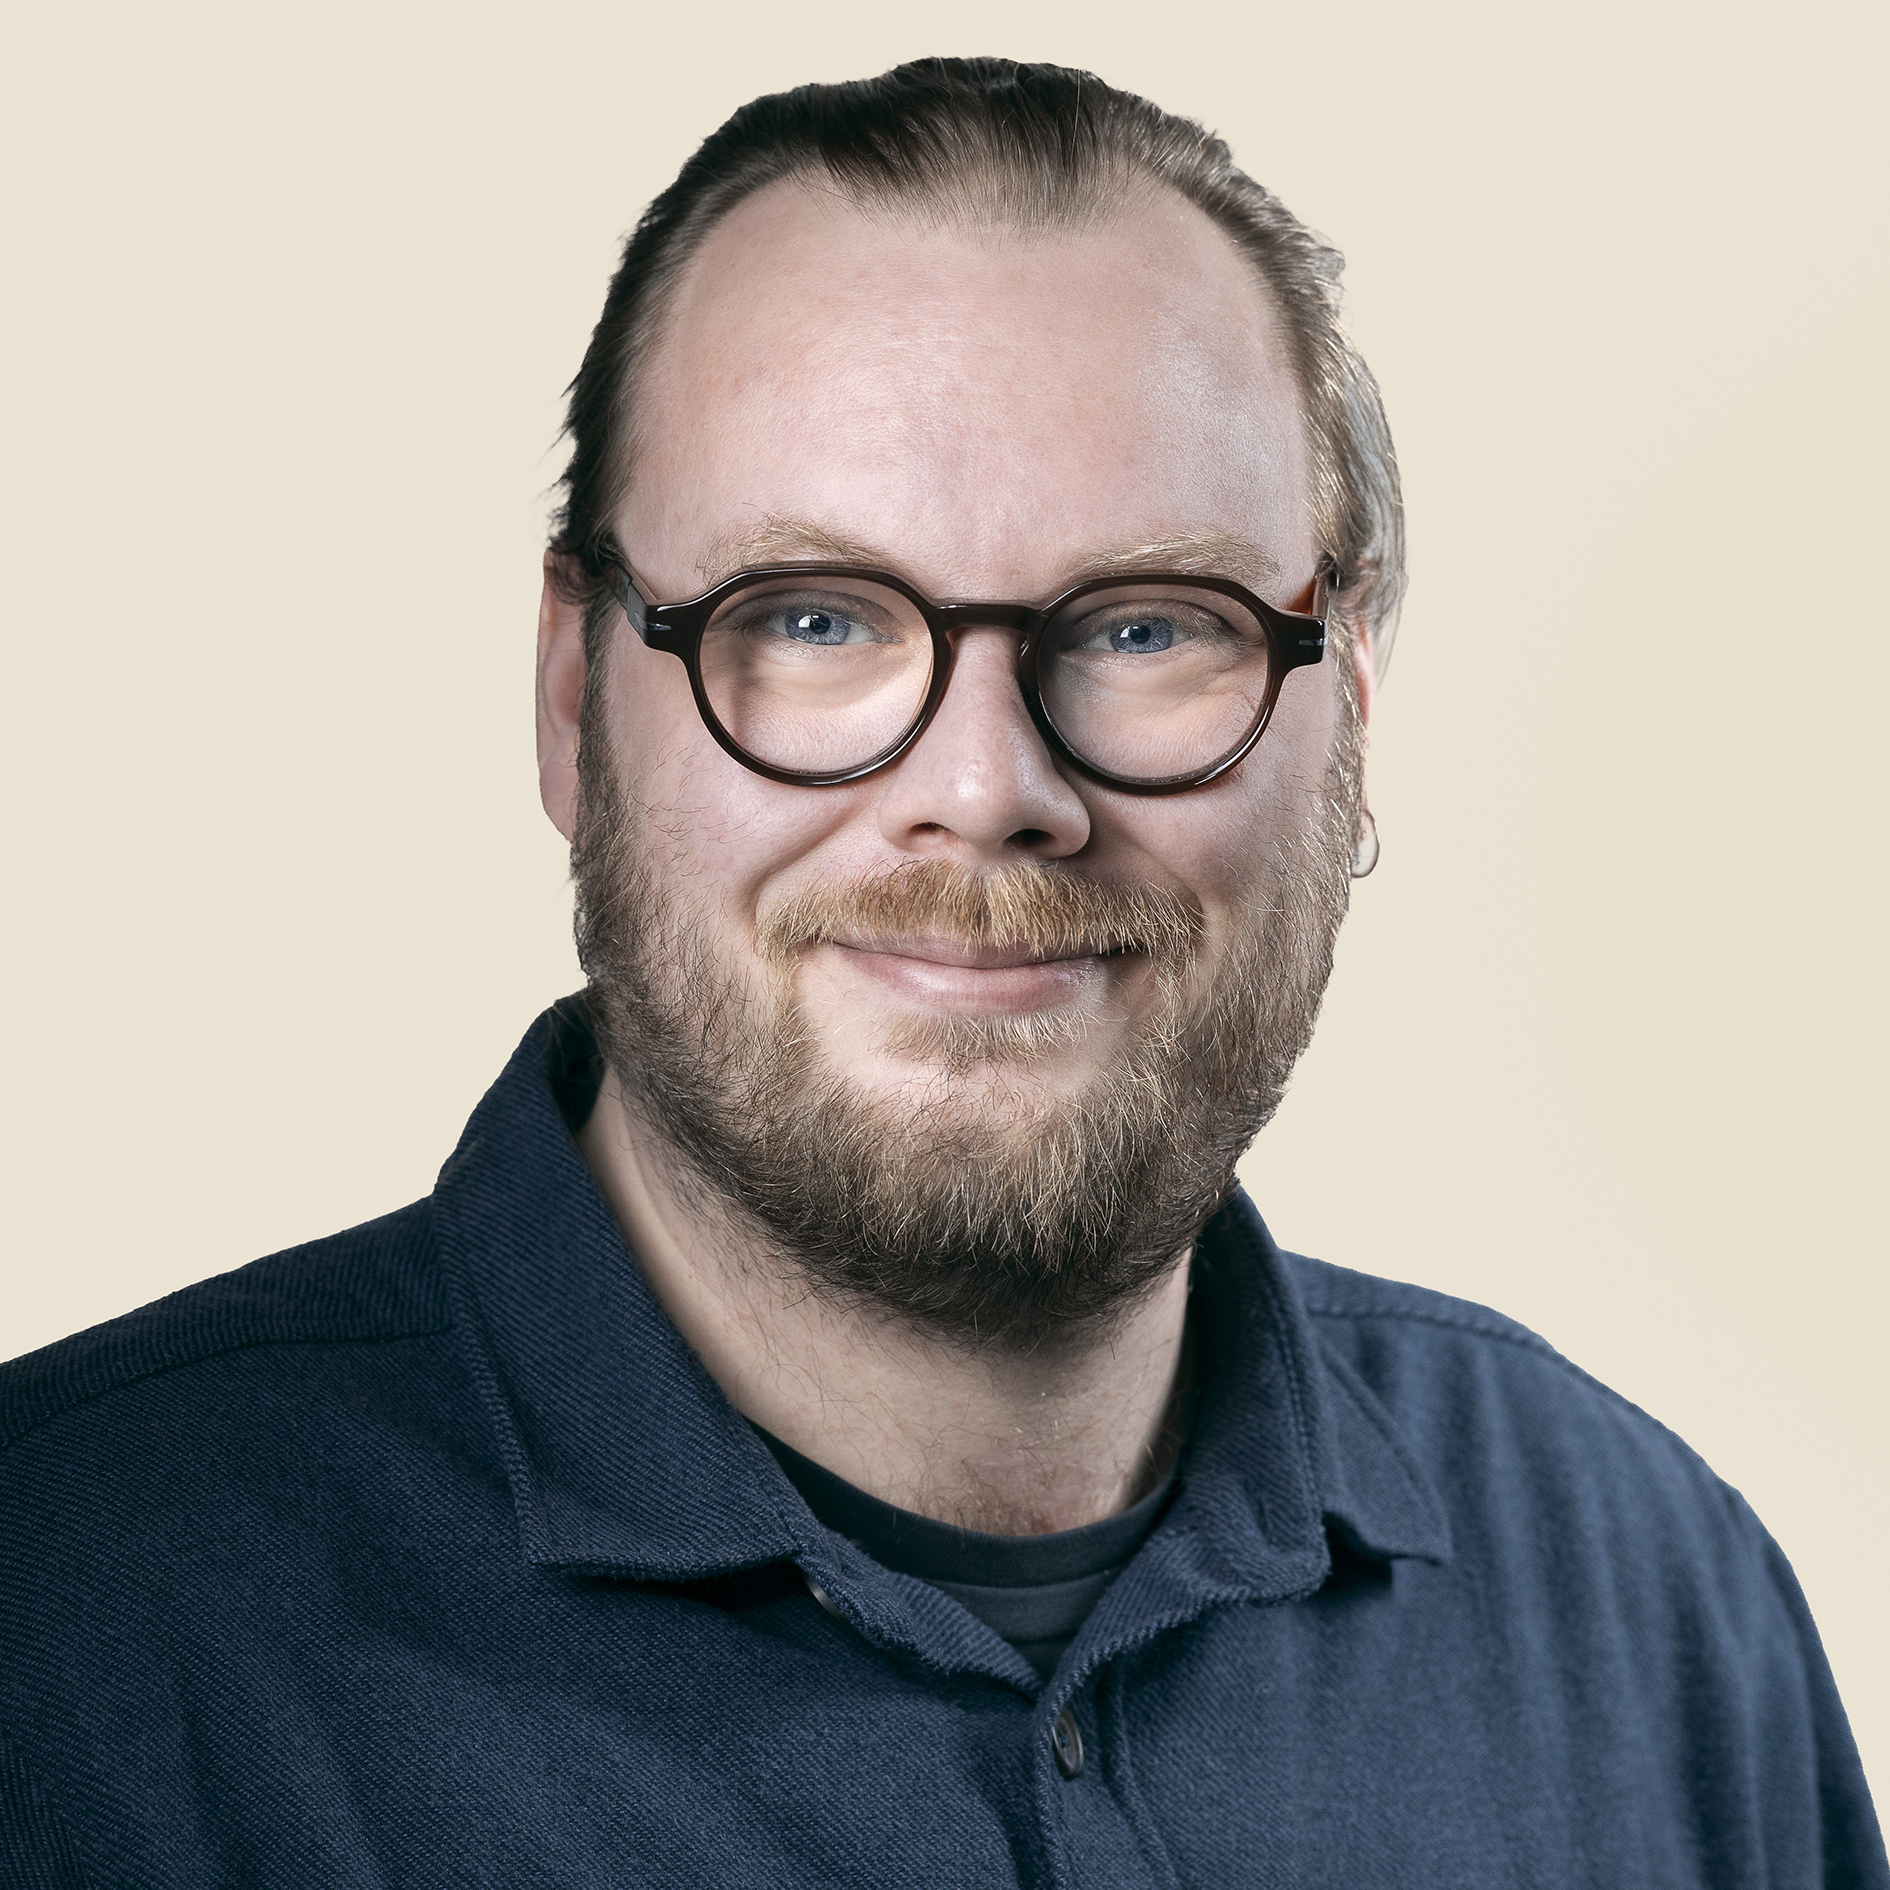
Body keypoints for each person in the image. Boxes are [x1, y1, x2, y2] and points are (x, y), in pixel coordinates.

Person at [0, 56, 1879, 1888]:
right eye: (811, 617)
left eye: (1147, 627)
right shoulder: (60, 1644)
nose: (984, 790)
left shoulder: (1653, 1604)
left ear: (1356, 714)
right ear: (573, 698)